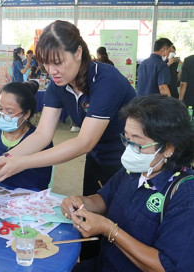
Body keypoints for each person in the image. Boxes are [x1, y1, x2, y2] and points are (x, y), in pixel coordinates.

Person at [0, 20, 136, 260]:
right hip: (97, 158)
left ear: (78, 52)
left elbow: (84, 142)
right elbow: (42, 134)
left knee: (120, 223)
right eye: (46, 63)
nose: (52, 70)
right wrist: (3, 159)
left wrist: (22, 163)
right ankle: (88, 263)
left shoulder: (105, 81)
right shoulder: (59, 84)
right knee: (86, 219)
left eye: (58, 62)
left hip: (128, 161)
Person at [62, 94, 194, 271]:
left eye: (138, 143)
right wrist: (81, 202)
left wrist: (109, 229)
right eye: (127, 139)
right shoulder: (134, 168)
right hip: (103, 265)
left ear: (169, 147)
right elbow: (104, 199)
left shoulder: (185, 195)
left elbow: (165, 266)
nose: (130, 150)